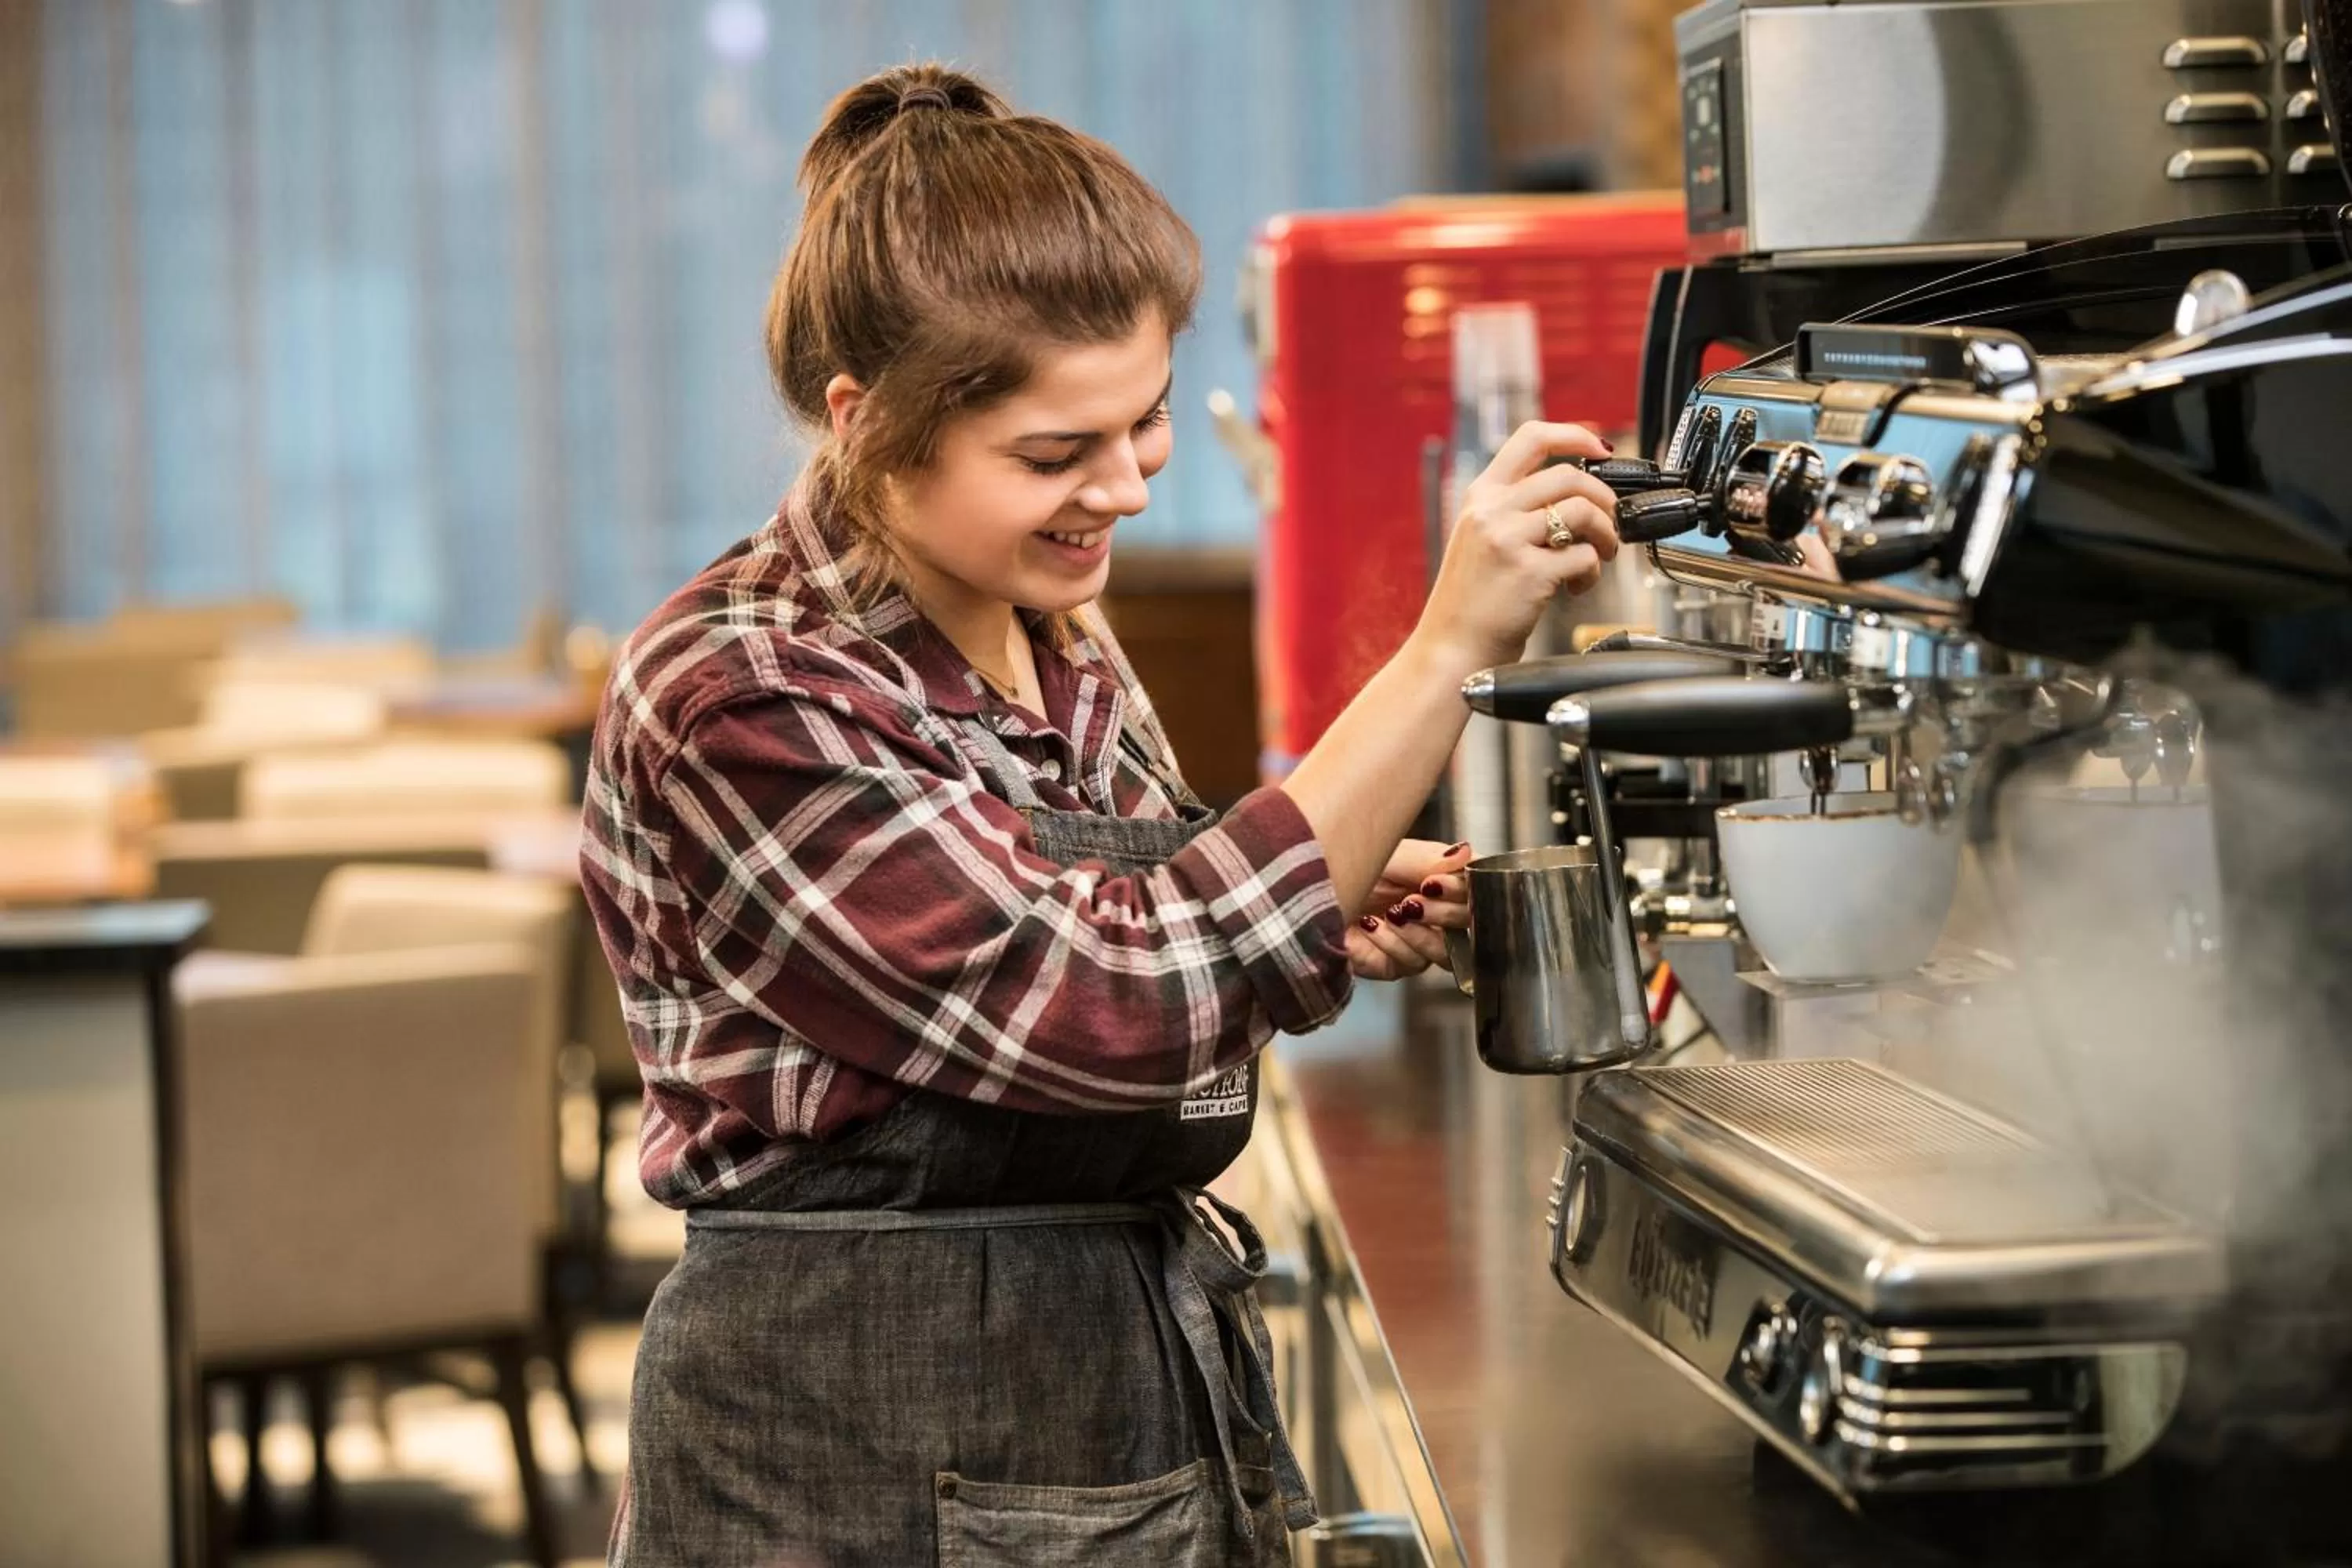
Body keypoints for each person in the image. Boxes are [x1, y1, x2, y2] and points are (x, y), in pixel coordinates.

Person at [579, 61, 1621, 1568]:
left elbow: (1110, 899)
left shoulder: (1044, 616)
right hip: (846, 1439)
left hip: (1089, 1397)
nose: (1124, 489)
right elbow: (1112, 995)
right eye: (1054, 455)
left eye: (1143, 424)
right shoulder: (743, 688)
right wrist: (1447, 647)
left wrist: (1330, 887)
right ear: (865, 423)